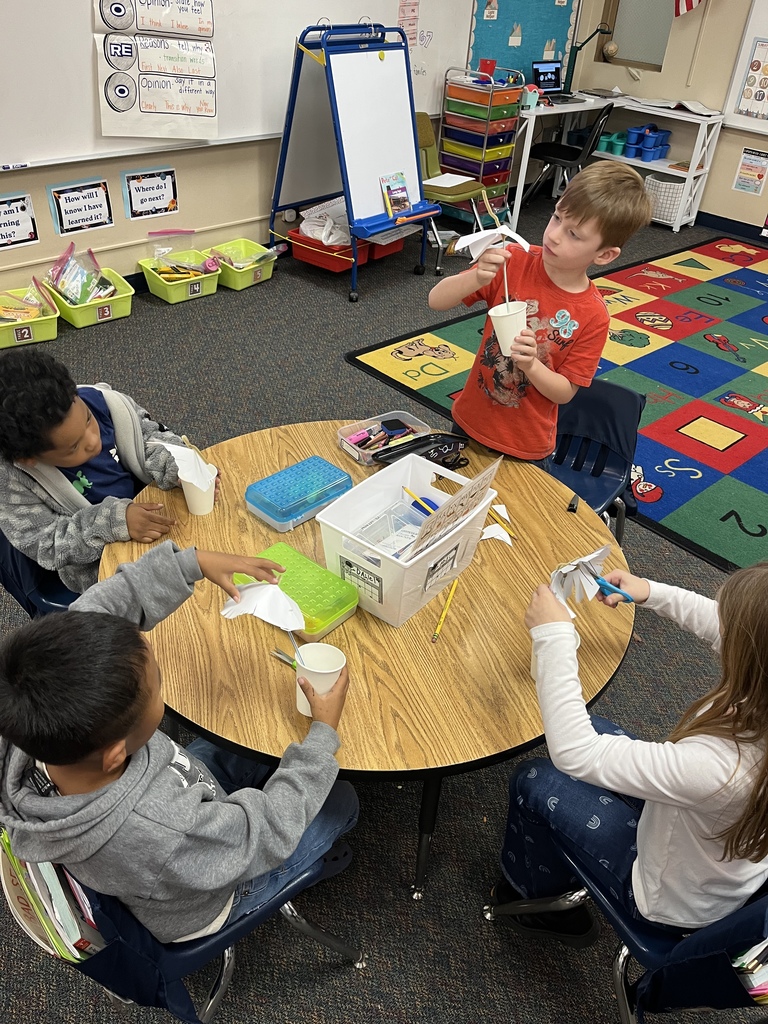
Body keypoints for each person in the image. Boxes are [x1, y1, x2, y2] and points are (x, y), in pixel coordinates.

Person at [0, 541, 358, 944]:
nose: (159, 687)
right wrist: (322, 735)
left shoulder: (26, 713)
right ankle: (308, 868)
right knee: (343, 799)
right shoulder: (160, 829)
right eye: (156, 689)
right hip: (210, 896)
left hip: (174, 809)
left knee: (250, 740)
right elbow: (264, 832)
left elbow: (101, 612)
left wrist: (194, 562)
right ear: (117, 753)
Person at [490, 563, 768, 947]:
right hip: (710, 855)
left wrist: (553, 637)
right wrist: (652, 591)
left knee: (534, 780)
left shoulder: (724, 769)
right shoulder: (761, 694)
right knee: (592, 727)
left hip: (661, 897)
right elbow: (735, 630)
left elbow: (576, 753)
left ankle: (536, 902)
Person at [428, 163, 653, 469]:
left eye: (574, 234)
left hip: (526, 445)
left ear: (604, 255)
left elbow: (564, 393)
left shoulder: (593, 315)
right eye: (557, 217)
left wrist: (531, 365)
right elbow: (436, 301)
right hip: (469, 422)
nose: (555, 235)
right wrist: (477, 278)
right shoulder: (515, 261)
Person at [0, 348, 190, 598]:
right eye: (74, 447)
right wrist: (114, 522)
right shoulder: (14, 479)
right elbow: (46, 544)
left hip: (160, 513)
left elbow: (150, 436)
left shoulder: (105, 403)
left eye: (89, 420)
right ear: (30, 459)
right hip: (103, 565)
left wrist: (178, 464)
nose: (93, 440)